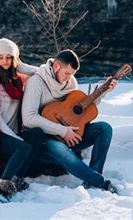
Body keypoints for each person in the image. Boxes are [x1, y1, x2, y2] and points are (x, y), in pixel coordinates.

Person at [21, 49, 119, 194]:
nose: (69, 78)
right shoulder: (36, 82)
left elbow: (77, 111)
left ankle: (92, 179)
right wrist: (62, 131)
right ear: (56, 66)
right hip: (44, 140)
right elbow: (28, 118)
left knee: (104, 128)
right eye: (66, 73)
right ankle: (99, 182)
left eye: (72, 74)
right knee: (61, 150)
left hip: (69, 136)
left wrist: (103, 92)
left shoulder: (70, 81)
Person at [0, 38, 44, 203]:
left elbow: (41, 72)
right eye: (0, 57)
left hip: (11, 132)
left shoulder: (17, 78)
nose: (5, 61)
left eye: (9, 57)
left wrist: (19, 65)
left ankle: (17, 178)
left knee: (37, 134)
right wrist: (15, 139)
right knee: (23, 147)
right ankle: (0, 190)